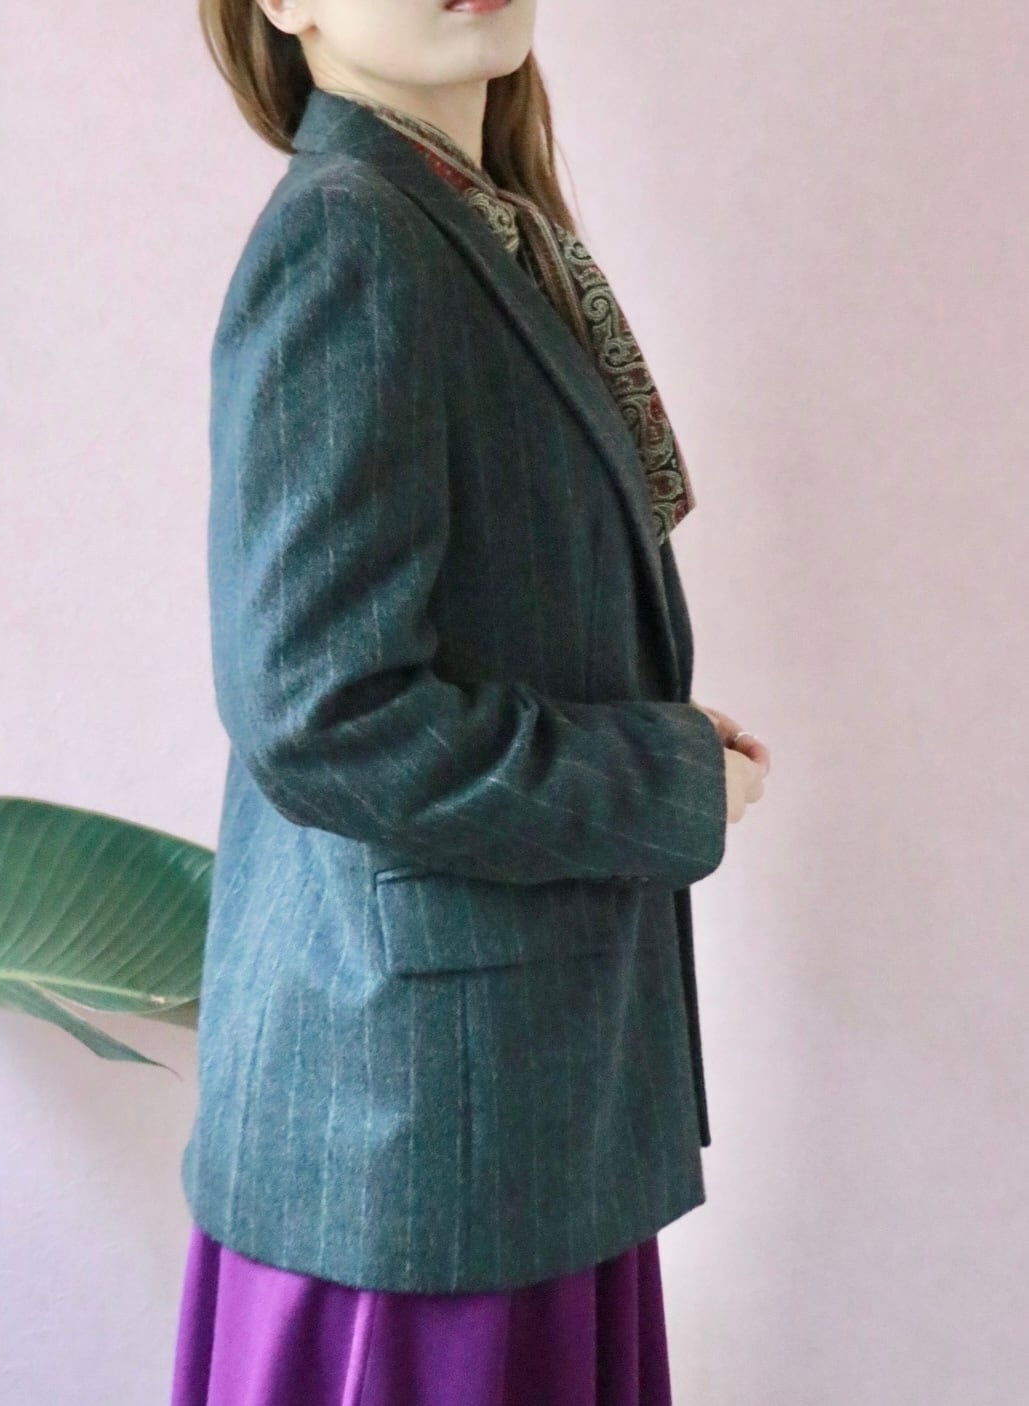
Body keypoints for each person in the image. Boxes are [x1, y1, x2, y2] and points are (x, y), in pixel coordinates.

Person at [172, 1, 770, 1401]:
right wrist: (661, 776)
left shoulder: (466, 220)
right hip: (421, 1135)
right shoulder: (351, 235)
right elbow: (324, 713)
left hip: (501, 1097)